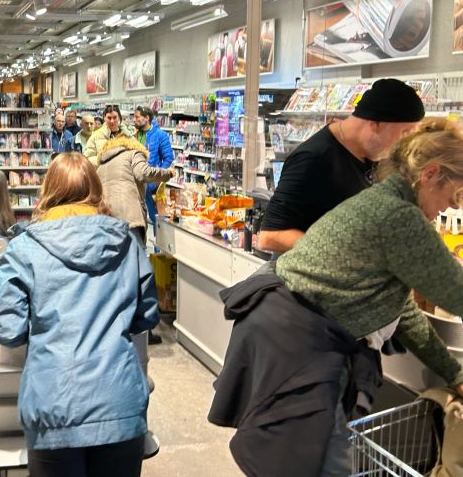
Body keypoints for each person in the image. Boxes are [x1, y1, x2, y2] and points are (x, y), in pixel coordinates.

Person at [209, 119, 463, 476]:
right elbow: (456, 293)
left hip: (283, 335)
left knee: (306, 459)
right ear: (431, 173)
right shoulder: (401, 217)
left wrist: (452, 372)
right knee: (317, 463)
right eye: (456, 196)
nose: (450, 209)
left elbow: (402, 309)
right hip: (302, 350)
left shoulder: (382, 199)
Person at [0, 152, 159, 477]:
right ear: (97, 190)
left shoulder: (24, 249)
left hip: (54, 404)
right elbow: (147, 314)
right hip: (120, 402)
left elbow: (8, 328)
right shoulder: (127, 243)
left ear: (47, 192)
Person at [259, 78, 424, 252]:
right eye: (405, 133)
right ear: (375, 124)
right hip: (305, 275)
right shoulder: (314, 159)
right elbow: (270, 236)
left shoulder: (373, 157)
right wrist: (346, 252)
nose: (405, 144)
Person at [96, 135, 173, 244]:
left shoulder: (101, 165)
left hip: (105, 219)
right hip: (128, 216)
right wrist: (167, 173)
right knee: (132, 256)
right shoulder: (134, 153)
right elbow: (143, 173)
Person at [133, 106, 174, 230]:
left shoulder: (160, 135)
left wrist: (157, 179)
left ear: (146, 118)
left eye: (137, 117)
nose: (134, 120)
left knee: (157, 219)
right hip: (135, 185)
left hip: (152, 187)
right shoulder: (134, 135)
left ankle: (158, 248)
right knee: (137, 220)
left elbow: (168, 158)